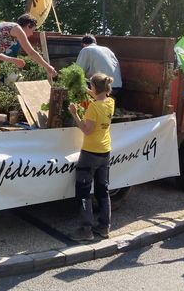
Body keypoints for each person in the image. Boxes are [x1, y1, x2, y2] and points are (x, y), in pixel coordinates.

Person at [67, 73, 115, 241]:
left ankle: (86, 230)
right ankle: (104, 227)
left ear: (95, 87)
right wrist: (87, 90)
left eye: (91, 86)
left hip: (90, 152)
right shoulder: (110, 103)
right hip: (105, 151)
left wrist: (74, 113)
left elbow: (86, 130)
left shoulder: (93, 108)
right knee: (103, 189)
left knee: (83, 190)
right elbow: (98, 95)